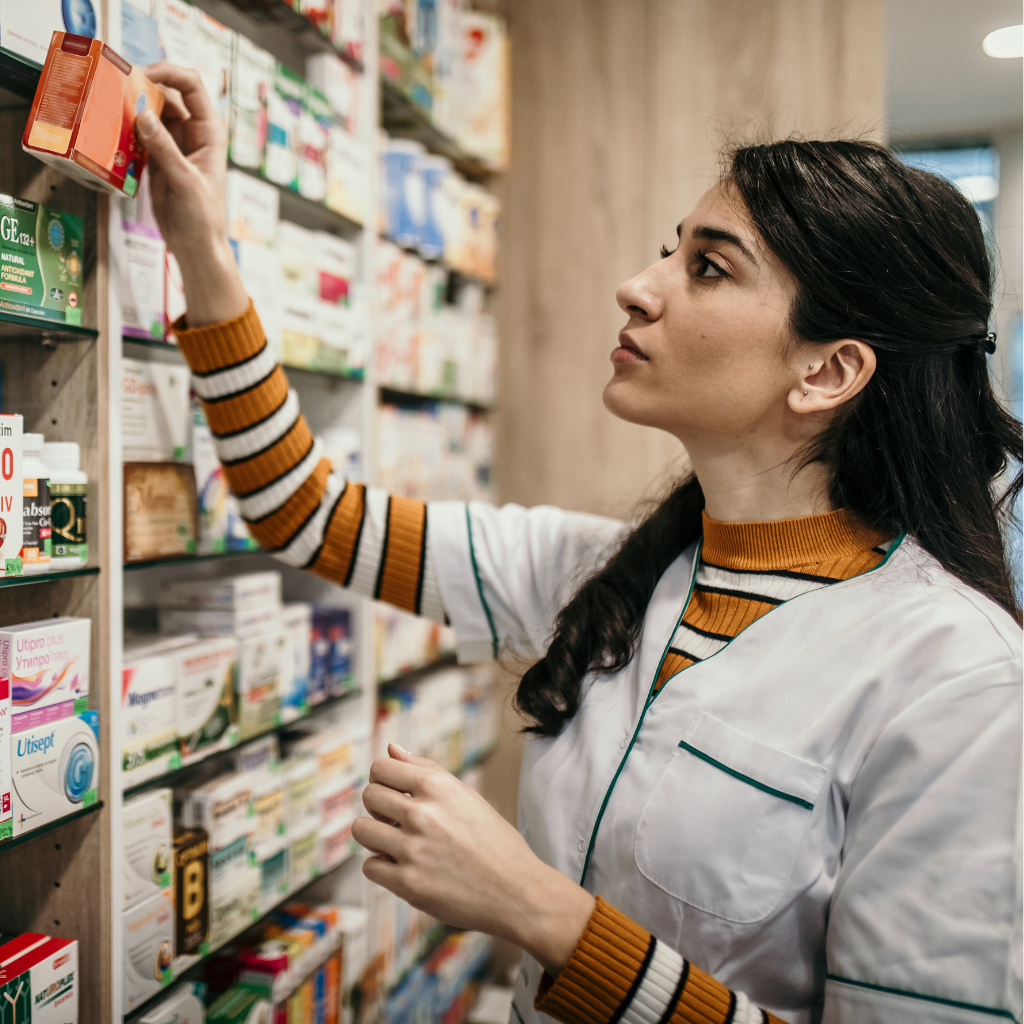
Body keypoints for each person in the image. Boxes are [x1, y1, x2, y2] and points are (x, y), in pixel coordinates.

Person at [138, 63, 1022, 1024]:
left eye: (708, 267)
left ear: (828, 370)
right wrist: (200, 243)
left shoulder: (959, 679)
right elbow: (305, 512)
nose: (637, 288)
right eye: (668, 251)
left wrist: (545, 914)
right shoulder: (607, 575)